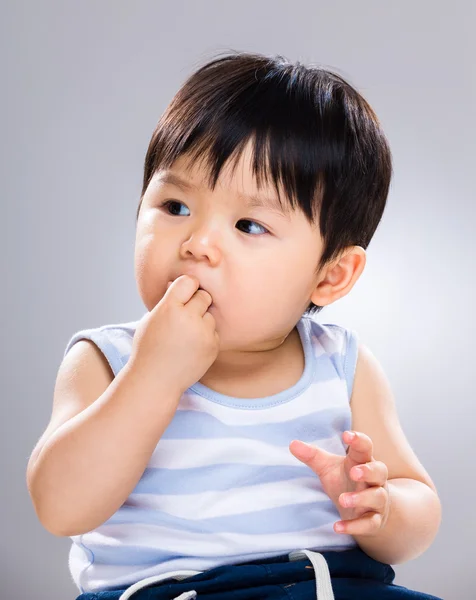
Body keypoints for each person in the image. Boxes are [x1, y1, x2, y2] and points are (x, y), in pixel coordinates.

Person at [26, 51, 443, 600]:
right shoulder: (108, 359)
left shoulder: (340, 365)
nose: (198, 243)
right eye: (175, 206)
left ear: (331, 275)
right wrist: (153, 376)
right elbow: (60, 507)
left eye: (249, 224)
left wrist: (379, 507)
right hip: (165, 591)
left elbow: (419, 504)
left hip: (323, 586)